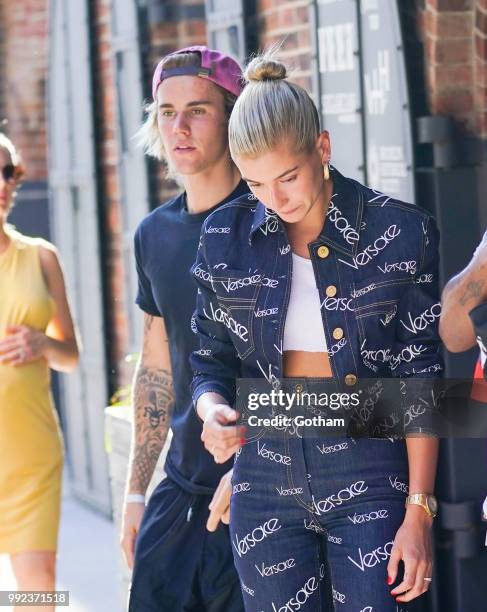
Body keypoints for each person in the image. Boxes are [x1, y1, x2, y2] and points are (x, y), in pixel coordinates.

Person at [190, 52, 443, 611]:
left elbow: (420, 378)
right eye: (254, 183)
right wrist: (215, 413)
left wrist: (420, 508)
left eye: (288, 177)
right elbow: (209, 361)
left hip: (371, 464)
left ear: (322, 149)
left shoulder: (401, 232)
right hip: (262, 473)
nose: (274, 201)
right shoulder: (222, 238)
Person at [121, 46, 247, 611]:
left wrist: (261, 472)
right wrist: (133, 491)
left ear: (233, 116)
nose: (180, 127)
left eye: (197, 110)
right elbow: (155, 365)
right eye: (166, 113)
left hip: (262, 491)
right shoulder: (154, 234)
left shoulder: (273, 219)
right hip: (180, 493)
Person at [0, 133, 79, 608]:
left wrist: (42, 341)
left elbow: (70, 355)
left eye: (9, 171)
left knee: (38, 594)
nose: (2, 183)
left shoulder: (41, 256)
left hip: (31, 457)